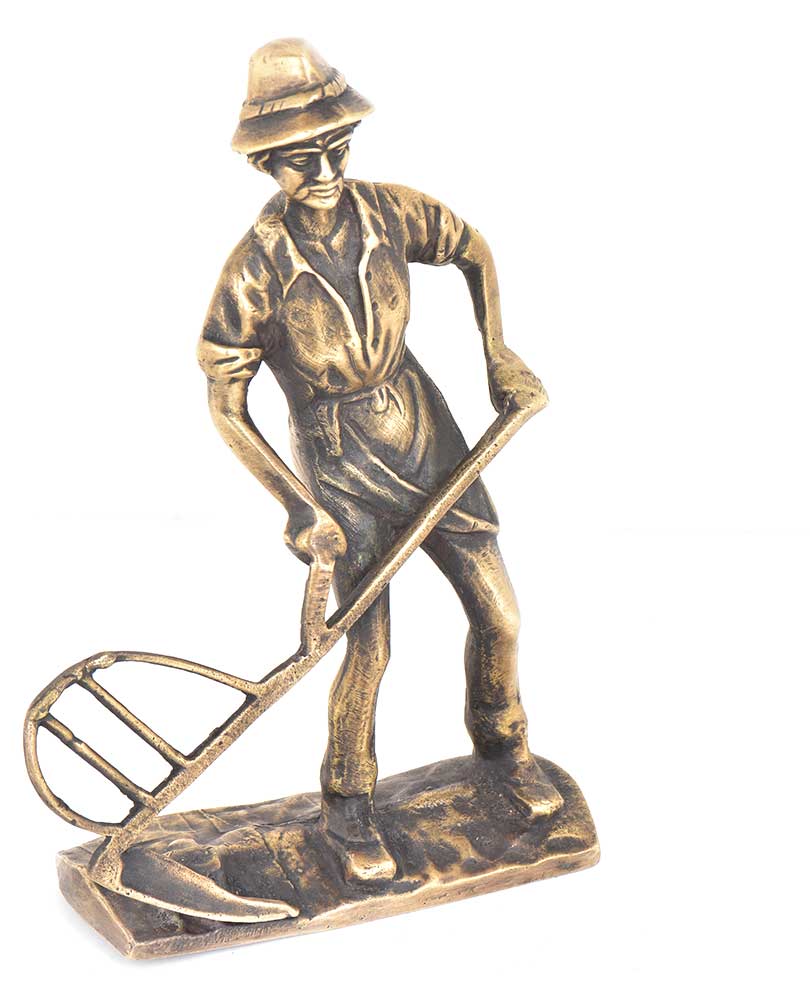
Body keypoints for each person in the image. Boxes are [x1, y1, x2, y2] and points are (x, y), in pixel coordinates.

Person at [198, 39, 562, 883]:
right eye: (300, 159)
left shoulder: (389, 213)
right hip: (340, 463)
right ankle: (349, 805)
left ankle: (504, 753)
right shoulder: (255, 268)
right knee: (368, 648)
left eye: (337, 148)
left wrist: (497, 352)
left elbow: (471, 247)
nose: (325, 171)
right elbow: (226, 401)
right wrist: (298, 506)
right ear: (263, 164)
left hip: (427, 433)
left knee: (500, 615)